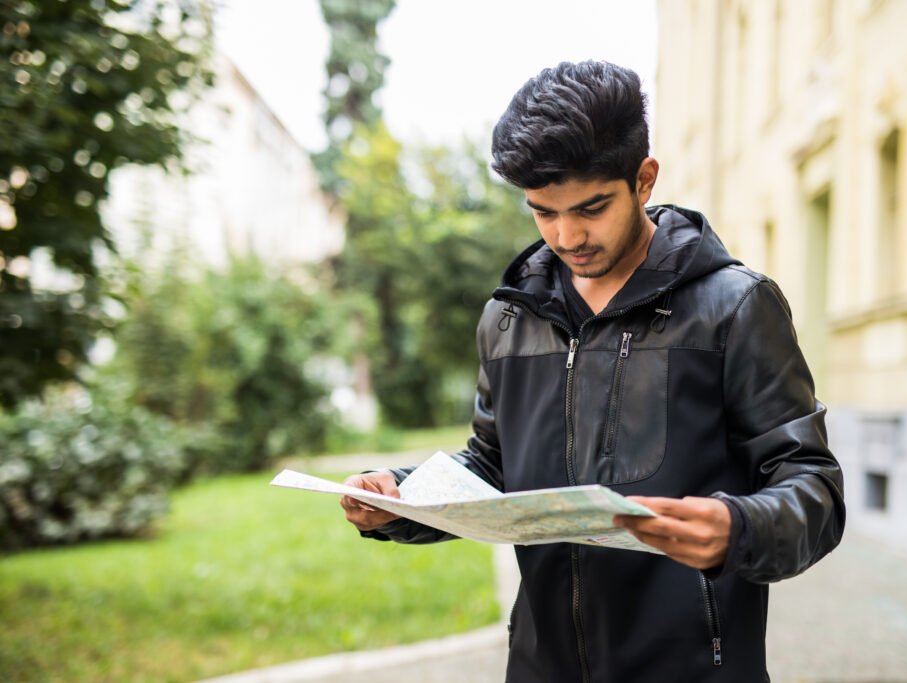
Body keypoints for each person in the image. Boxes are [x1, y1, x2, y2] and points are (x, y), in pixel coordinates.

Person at [341, 60, 845, 682]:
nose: (567, 234)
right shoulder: (508, 318)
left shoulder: (734, 307)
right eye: (542, 212)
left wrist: (739, 528)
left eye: (591, 207)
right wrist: (401, 497)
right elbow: (493, 467)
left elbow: (814, 490)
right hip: (539, 666)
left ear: (644, 179)